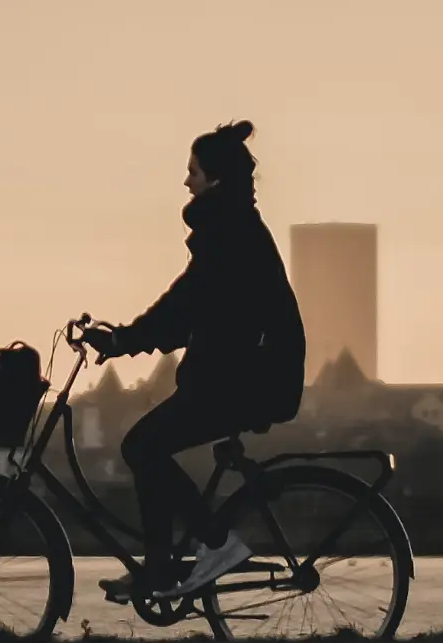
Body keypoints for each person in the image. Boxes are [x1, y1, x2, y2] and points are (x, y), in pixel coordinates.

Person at [79, 119, 307, 600]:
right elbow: (187, 305)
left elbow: (188, 306)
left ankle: (216, 543)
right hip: (241, 374)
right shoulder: (229, 227)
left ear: (216, 178)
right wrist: (127, 337)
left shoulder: (230, 232)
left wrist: (125, 340)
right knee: (147, 446)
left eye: (194, 171)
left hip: (249, 379)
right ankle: (160, 567)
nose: (186, 181)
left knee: (143, 447)